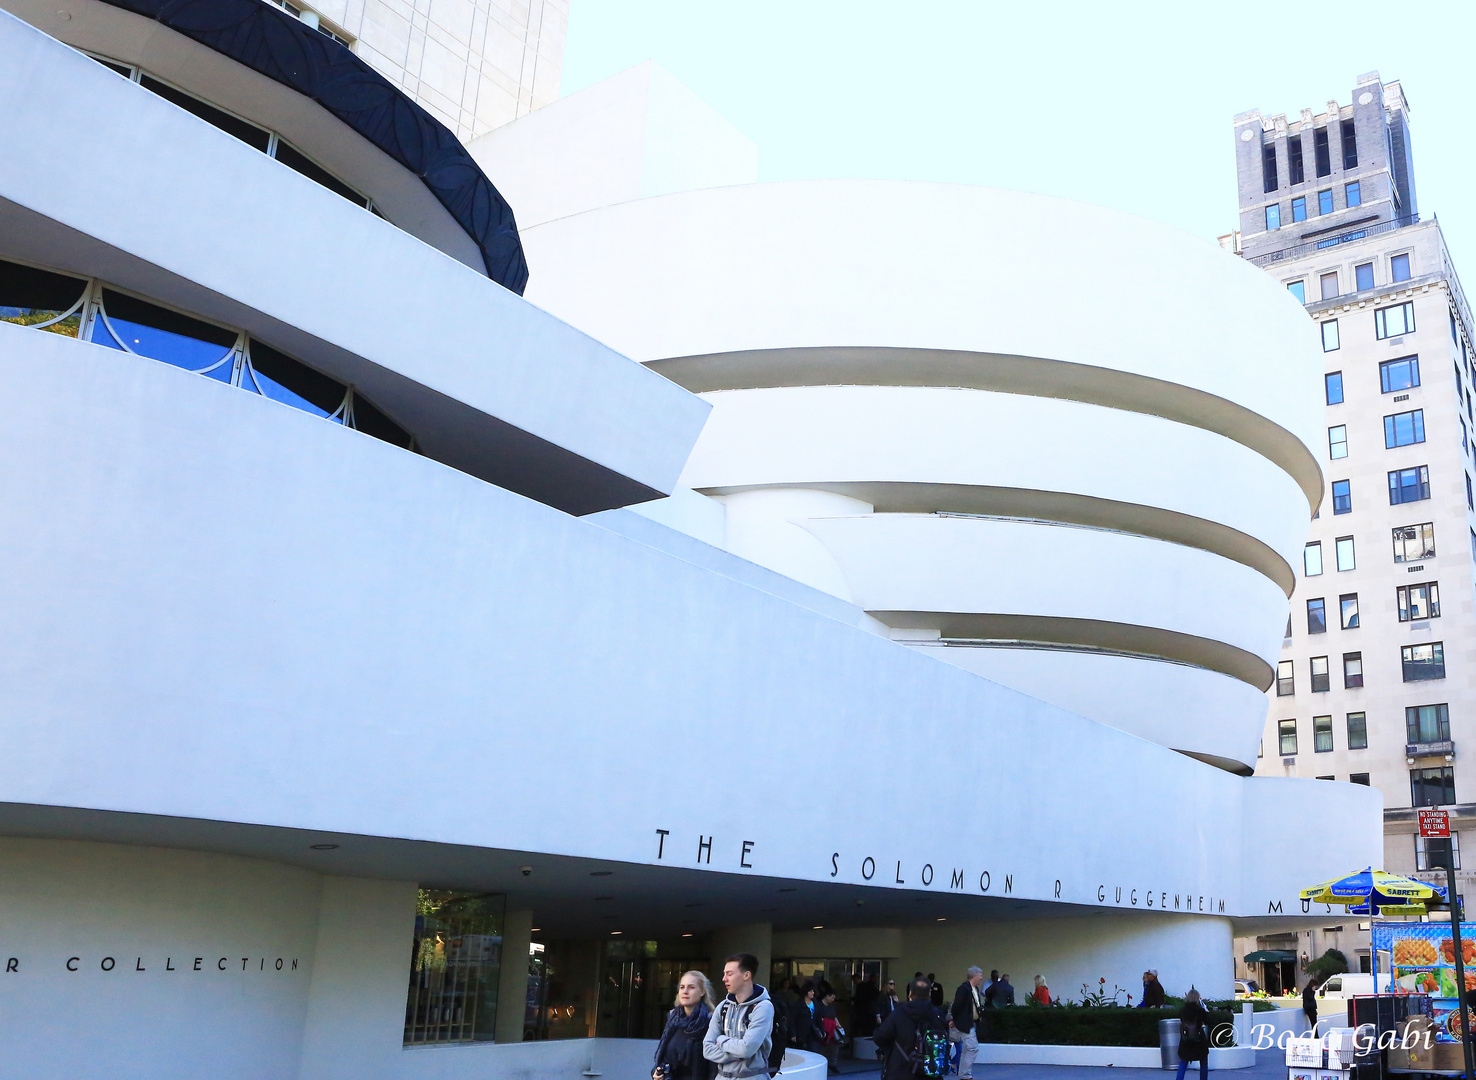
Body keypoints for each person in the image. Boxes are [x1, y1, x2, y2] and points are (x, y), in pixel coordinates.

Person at [704, 953, 776, 1080]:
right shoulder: (723, 1007)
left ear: (746, 975)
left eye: (729, 974)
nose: (724, 979)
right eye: (724, 973)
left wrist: (721, 1040)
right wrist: (741, 1051)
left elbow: (747, 1049)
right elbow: (707, 1049)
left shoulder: (763, 1007)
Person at [875, 975, 949, 1080]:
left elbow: (880, 1036)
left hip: (901, 1069)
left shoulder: (899, 1013)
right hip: (931, 1071)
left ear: (910, 993)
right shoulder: (938, 1015)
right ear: (929, 993)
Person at [655, 971, 717, 1080]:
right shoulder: (673, 1019)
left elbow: (714, 1068)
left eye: (691, 987)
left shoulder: (710, 1022)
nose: (685, 991)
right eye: (682, 987)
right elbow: (664, 1057)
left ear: (702, 991)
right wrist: (658, 1073)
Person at [949, 966, 986, 1080]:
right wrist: (955, 1020)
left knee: (967, 1049)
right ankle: (965, 1075)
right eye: (980, 975)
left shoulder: (974, 989)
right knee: (972, 1048)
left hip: (970, 1023)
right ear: (974, 975)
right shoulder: (964, 989)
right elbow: (957, 1006)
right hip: (965, 1024)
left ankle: (964, 1074)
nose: (982, 978)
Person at [1175, 989, 1210, 1080]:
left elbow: (1182, 1021)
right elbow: (1207, 1021)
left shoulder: (1183, 1010)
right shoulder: (1200, 1010)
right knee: (1203, 1062)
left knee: (1183, 1062)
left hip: (1186, 1038)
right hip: (1199, 1039)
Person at [816, 988, 843, 1072]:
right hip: (823, 1029)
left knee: (834, 1047)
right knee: (822, 1048)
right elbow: (818, 1019)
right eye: (832, 998)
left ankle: (833, 1064)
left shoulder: (831, 1006)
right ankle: (820, 1065)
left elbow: (834, 1017)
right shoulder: (819, 1006)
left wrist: (838, 1025)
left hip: (832, 1029)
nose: (833, 1000)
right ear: (827, 996)